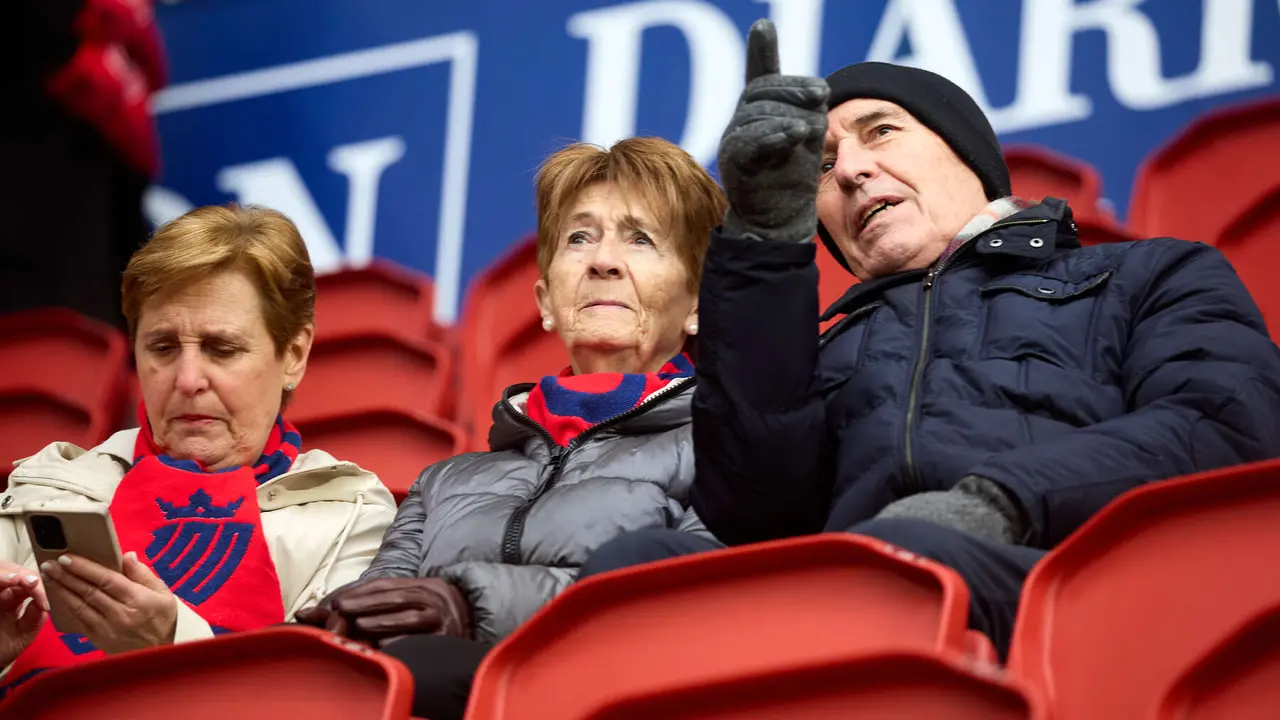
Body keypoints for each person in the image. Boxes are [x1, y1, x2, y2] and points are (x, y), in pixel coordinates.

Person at [579, 20, 1280, 657]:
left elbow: (1225, 421)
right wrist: (761, 242)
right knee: (632, 576)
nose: (850, 170)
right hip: (850, 596)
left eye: (881, 132)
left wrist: (999, 500)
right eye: (822, 167)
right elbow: (754, 511)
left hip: (1078, 581)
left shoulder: (1147, 273)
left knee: (901, 561)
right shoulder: (820, 352)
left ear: (967, 154)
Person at [296, 137, 726, 720]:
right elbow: (374, 613)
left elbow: (683, 600)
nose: (603, 261)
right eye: (580, 237)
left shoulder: (727, 445)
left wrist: (471, 604)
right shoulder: (442, 481)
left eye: (640, 238)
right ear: (546, 301)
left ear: (698, 302)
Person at [0, 205, 397, 697]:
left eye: (222, 349)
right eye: (163, 348)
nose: (187, 381)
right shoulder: (48, 486)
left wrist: (170, 643)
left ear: (293, 355)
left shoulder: (351, 516)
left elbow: (321, 702)